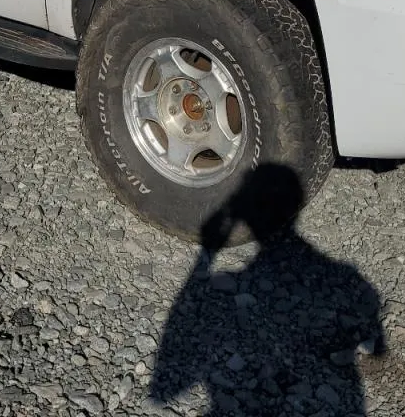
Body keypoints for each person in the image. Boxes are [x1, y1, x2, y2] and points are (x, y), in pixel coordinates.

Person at [149, 164, 387, 416]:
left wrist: (207, 254)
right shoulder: (348, 279)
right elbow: (376, 346)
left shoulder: (223, 284)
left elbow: (165, 389)